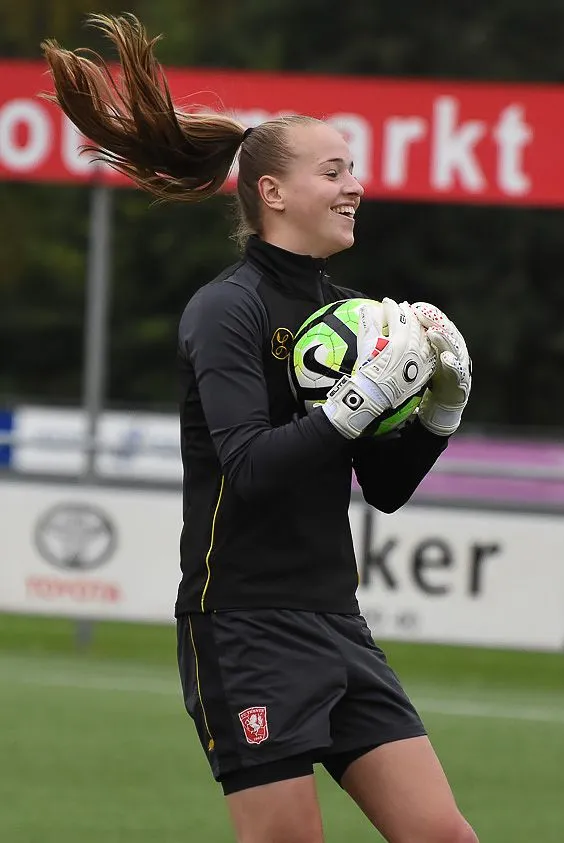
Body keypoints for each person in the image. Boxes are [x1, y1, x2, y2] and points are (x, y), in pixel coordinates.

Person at [42, 14, 475, 843]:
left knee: (444, 836)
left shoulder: (346, 316)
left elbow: (381, 488)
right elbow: (252, 468)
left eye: (355, 172)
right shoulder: (225, 309)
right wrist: (361, 399)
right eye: (335, 171)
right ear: (272, 192)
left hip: (334, 619)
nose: (356, 187)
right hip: (241, 623)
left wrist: (438, 410)